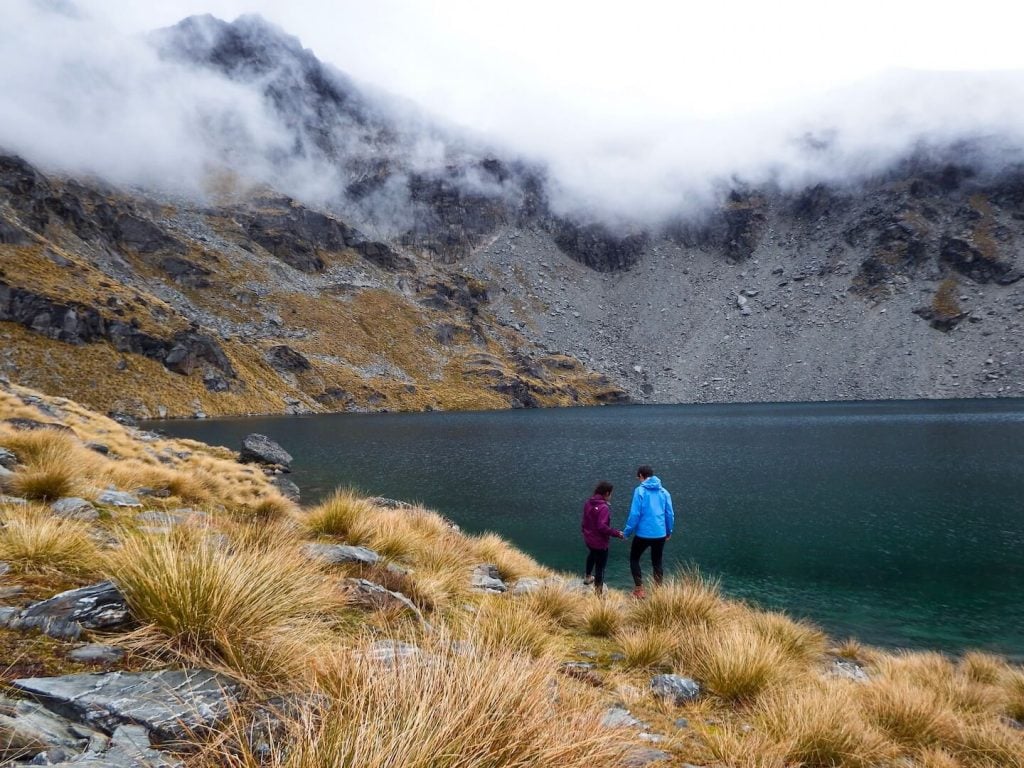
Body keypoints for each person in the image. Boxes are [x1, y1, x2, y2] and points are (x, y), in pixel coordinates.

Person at [621, 465, 674, 599]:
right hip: (660, 534)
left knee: (634, 558)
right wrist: (668, 531)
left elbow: (634, 514)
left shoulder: (640, 491)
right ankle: (658, 591)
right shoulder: (664, 492)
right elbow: (669, 514)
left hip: (643, 534)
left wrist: (627, 532)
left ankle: (639, 590)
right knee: (657, 562)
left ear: (641, 476)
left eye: (638, 477)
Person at [581, 481, 624, 593]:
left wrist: (585, 532)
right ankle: (598, 593)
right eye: (611, 494)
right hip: (600, 542)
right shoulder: (603, 507)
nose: (611, 496)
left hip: (588, 539)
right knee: (600, 567)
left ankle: (587, 577)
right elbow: (602, 527)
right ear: (606, 493)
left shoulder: (588, 503)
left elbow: (584, 521)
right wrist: (617, 533)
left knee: (592, 555)